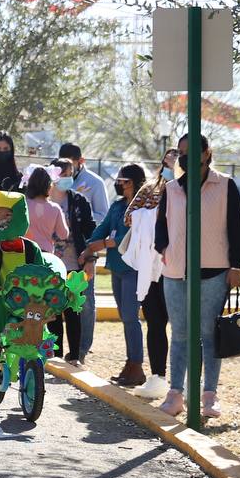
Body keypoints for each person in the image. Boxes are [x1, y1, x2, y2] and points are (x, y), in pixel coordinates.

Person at [154, 134, 240, 419]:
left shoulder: (226, 185)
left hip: (215, 271)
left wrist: (236, 265)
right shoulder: (171, 188)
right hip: (175, 272)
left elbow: (236, 228)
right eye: (181, 153)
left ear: (207, 153)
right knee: (179, 334)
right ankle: (175, 394)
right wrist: (164, 249)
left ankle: (209, 395)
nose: (185, 157)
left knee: (208, 335)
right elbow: (161, 225)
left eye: (191, 152)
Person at [82, 164, 148, 386]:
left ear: (137, 183)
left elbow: (137, 236)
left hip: (134, 268)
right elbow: (102, 230)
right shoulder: (118, 206)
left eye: (125, 181)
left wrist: (110, 242)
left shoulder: (143, 209)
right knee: (126, 317)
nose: (120, 184)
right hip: (117, 267)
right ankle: (130, 365)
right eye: (119, 181)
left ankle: (136, 366)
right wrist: (93, 244)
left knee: (131, 317)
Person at [125, 148, 177, 398]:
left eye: (176, 162)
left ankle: (184, 381)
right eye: (167, 161)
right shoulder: (149, 189)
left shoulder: (189, 190)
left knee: (182, 326)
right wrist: (151, 216)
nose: (171, 165)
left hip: (177, 267)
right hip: (151, 267)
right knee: (155, 323)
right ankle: (158, 376)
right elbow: (129, 217)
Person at [0, 191, 44, 365]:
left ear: (20, 217)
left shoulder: (31, 248)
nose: (2, 219)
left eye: (8, 215)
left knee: (38, 316)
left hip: (26, 299)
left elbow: (40, 272)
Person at [46, 156, 98, 365]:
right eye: (63, 175)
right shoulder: (43, 201)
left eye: (70, 174)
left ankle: (75, 356)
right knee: (53, 310)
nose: (67, 178)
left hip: (74, 263)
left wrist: (90, 258)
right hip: (49, 264)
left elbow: (90, 231)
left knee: (73, 308)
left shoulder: (78, 201)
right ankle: (55, 354)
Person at [23, 166, 70, 254]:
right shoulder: (55, 208)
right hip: (46, 253)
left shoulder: (23, 205)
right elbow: (63, 234)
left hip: (25, 251)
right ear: (49, 186)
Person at [59, 142, 109, 223]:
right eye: (62, 164)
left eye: (70, 164)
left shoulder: (95, 182)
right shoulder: (54, 180)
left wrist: (78, 215)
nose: (66, 168)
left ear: (81, 161)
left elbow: (103, 216)